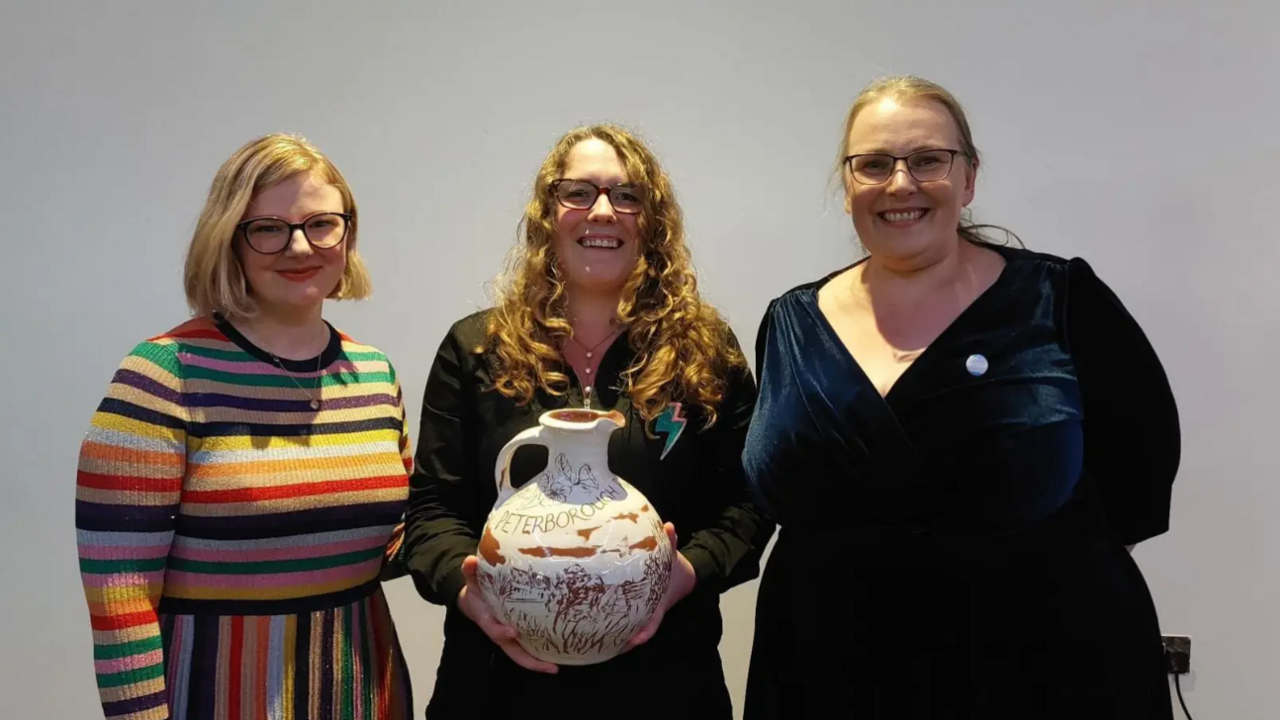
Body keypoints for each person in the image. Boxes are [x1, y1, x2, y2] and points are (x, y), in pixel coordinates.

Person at [741, 75, 1181, 719]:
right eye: (874, 164)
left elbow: (1139, 478)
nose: (900, 184)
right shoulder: (790, 321)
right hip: (829, 672)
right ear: (847, 187)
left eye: (928, 160)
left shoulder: (1059, 300)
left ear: (969, 178)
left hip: (1042, 674)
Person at [403, 124, 774, 719]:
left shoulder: (707, 351)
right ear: (548, 214)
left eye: (627, 196)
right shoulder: (475, 347)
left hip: (665, 680)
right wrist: (469, 590)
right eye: (578, 192)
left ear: (653, 222)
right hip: (497, 683)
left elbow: (749, 503)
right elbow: (431, 510)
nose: (603, 211)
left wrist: (687, 573)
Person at [75, 134, 414, 720]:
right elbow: (120, 600)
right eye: (268, 228)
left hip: (364, 691)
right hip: (217, 695)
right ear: (228, 240)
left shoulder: (374, 374)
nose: (299, 246)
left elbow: (389, 543)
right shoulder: (161, 375)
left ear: (348, 233)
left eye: (321, 224)